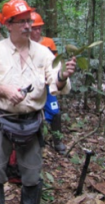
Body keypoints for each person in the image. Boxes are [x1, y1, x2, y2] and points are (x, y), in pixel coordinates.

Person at [0, 0, 76, 204]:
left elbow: (56, 81)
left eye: (28, 21)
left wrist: (63, 76)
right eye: (21, 22)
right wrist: (3, 90)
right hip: (2, 120)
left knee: (31, 177)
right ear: (8, 25)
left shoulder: (43, 53)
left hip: (32, 122)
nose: (28, 26)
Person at [30, 11, 66, 154]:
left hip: (47, 84)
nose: (37, 31)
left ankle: (57, 140)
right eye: (34, 28)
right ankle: (37, 141)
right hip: (32, 85)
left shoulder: (48, 42)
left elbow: (55, 64)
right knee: (33, 111)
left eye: (39, 28)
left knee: (55, 111)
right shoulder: (24, 45)